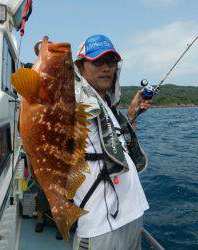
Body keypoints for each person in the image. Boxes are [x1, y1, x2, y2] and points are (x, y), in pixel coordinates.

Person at [73, 34, 152, 250]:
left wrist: (132, 113)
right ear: (80, 68)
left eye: (110, 62)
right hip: (100, 226)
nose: (105, 68)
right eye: (97, 62)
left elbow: (119, 147)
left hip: (133, 214)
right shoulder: (76, 100)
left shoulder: (108, 107)